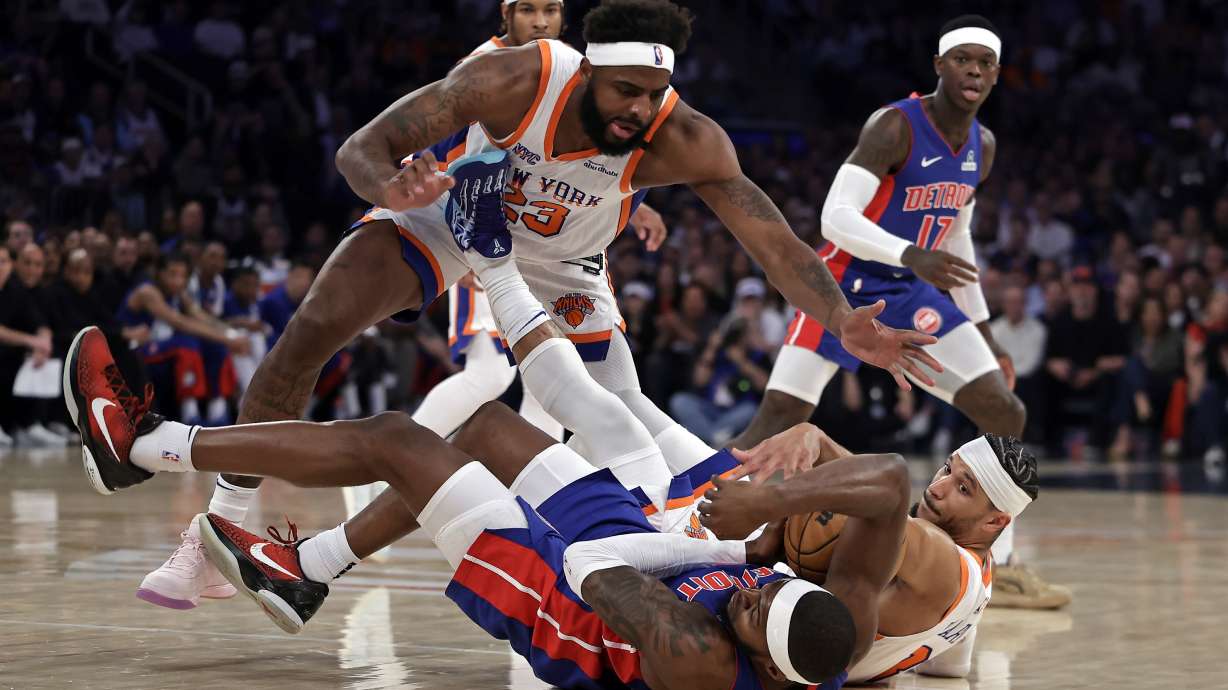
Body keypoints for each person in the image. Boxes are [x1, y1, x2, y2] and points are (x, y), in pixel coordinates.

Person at [146, 0, 939, 609]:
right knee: (310, 331)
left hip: (564, 263)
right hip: (460, 217)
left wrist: (840, 318)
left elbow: (773, 243)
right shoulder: (515, 77)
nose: (639, 110)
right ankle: (221, 524)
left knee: (587, 412)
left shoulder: (682, 135)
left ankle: (325, 563)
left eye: (656, 94)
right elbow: (364, 147)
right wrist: (392, 186)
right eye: (626, 91)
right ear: (587, 70)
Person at [67, 325, 918, 689]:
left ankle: (142, 443)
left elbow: (594, 567)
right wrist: (777, 499)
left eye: (752, 606)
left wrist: (738, 557)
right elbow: (891, 484)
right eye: (772, 586)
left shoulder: (699, 662)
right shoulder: (835, 627)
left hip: (563, 599)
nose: (757, 589)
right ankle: (307, 572)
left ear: (763, 667)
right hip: (649, 546)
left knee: (397, 441)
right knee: (484, 426)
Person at [730, 15, 1065, 610]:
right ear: (940, 66)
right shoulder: (894, 126)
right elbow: (835, 218)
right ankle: (692, 519)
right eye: (962, 59)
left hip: (912, 287)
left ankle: (995, 562)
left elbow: (955, 237)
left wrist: (986, 332)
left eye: (985, 63)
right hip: (841, 288)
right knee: (776, 420)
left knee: (1003, 408)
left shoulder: (981, 147)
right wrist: (912, 253)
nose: (974, 71)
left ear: (995, 76)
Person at [701, 426, 1039, 682]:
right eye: (947, 469)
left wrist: (767, 503)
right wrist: (816, 442)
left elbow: (888, 490)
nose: (937, 488)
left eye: (963, 489)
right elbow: (952, 670)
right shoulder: (981, 575)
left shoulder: (944, 562)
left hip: (755, 659)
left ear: (996, 521)